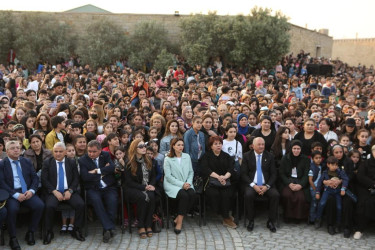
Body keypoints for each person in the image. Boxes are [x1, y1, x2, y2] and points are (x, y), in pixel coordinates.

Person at [0, 141, 44, 249]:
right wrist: (15, 194)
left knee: (40, 205)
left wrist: (32, 191)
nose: (16, 150)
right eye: (12, 148)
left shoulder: (26, 161)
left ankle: (30, 232)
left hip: (27, 191)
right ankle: (13, 238)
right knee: (12, 209)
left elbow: (35, 178)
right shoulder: (2, 164)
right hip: (12, 193)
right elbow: (2, 183)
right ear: (7, 151)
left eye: (17, 148)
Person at [41, 142, 85, 244]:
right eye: (56, 151)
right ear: (53, 152)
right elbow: (44, 180)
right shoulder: (47, 162)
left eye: (61, 151)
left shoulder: (71, 162)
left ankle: (76, 230)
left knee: (80, 204)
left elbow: (76, 179)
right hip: (54, 192)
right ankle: (48, 232)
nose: (58, 154)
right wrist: (54, 191)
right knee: (49, 206)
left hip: (68, 190)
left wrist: (70, 191)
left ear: (65, 152)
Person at [79, 140, 117, 243]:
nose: (91, 154)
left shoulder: (105, 155)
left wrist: (97, 171)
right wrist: (104, 171)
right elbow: (85, 177)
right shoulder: (83, 160)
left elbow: (112, 168)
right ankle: (109, 227)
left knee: (112, 201)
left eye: (94, 151)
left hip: (108, 186)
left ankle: (106, 230)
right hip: (93, 188)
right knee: (97, 201)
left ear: (100, 150)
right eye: (89, 151)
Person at [241, 137, 279, 232]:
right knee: (248, 195)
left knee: (275, 195)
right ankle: (251, 220)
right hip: (252, 185)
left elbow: (274, 174)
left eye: (263, 144)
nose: (261, 146)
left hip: (266, 184)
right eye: (259, 144)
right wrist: (254, 185)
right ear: (253, 146)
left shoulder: (269, 156)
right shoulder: (246, 156)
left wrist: (267, 186)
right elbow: (243, 174)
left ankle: (271, 221)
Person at [201, 135, 237, 229]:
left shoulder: (226, 156)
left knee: (227, 194)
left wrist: (225, 177)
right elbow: (205, 169)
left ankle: (226, 218)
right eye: (215, 144)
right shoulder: (206, 156)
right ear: (211, 146)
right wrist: (218, 177)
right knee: (214, 194)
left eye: (220, 143)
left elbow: (231, 168)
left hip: (225, 181)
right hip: (211, 182)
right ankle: (220, 213)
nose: (218, 146)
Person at [123, 139, 156, 239]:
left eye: (144, 146)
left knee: (151, 196)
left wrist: (152, 185)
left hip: (146, 186)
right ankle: (141, 225)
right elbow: (128, 182)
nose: (144, 148)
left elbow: (153, 176)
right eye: (140, 146)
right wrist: (144, 187)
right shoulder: (129, 162)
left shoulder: (148, 160)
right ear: (135, 148)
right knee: (142, 197)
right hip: (132, 188)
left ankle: (148, 224)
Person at [163, 137, 195, 234]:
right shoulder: (168, 159)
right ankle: (179, 223)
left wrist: (188, 183)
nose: (181, 147)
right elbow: (168, 176)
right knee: (184, 196)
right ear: (173, 146)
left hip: (186, 182)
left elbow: (191, 172)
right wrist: (182, 185)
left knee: (192, 194)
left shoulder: (187, 156)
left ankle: (178, 218)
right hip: (172, 184)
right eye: (178, 145)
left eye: (182, 145)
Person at [314, 156, 349, 233]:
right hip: (327, 190)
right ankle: (318, 218)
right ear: (328, 165)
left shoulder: (340, 172)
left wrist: (343, 188)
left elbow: (346, 179)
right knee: (322, 203)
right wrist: (317, 192)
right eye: (333, 165)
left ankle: (338, 223)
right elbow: (320, 182)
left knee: (339, 207)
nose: (335, 167)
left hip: (337, 192)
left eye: (336, 165)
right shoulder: (325, 172)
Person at [279, 140, 310, 222]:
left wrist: (301, 185)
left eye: (298, 149)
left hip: (300, 181)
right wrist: (289, 183)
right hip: (288, 181)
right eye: (294, 148)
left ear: (301, 149)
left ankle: (298, 217)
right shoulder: (285, 158)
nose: (296, 151)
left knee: (300, 197)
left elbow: (307, 174)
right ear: (291, 149)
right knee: (287, 195)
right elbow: (281, 173)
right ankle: (288, 216)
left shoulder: (306, 159)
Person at [354, 145, 375, 240]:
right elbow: (360, 176)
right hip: (365, 187)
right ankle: (360, 229)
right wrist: (373, 184)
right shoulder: (365, 163)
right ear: (372, 152)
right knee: (363, 203)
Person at [308, 150, 323, 224]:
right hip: (313, 188)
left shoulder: (321, 167)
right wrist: (315, 189)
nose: (318, 160)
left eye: (320, 158)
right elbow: (310, 180)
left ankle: (317, 217)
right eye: (316, 158)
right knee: (314, 203)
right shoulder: (312, 168)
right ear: (312, 159)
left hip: (319, 188)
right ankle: (312, 218)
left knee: (318, 203)